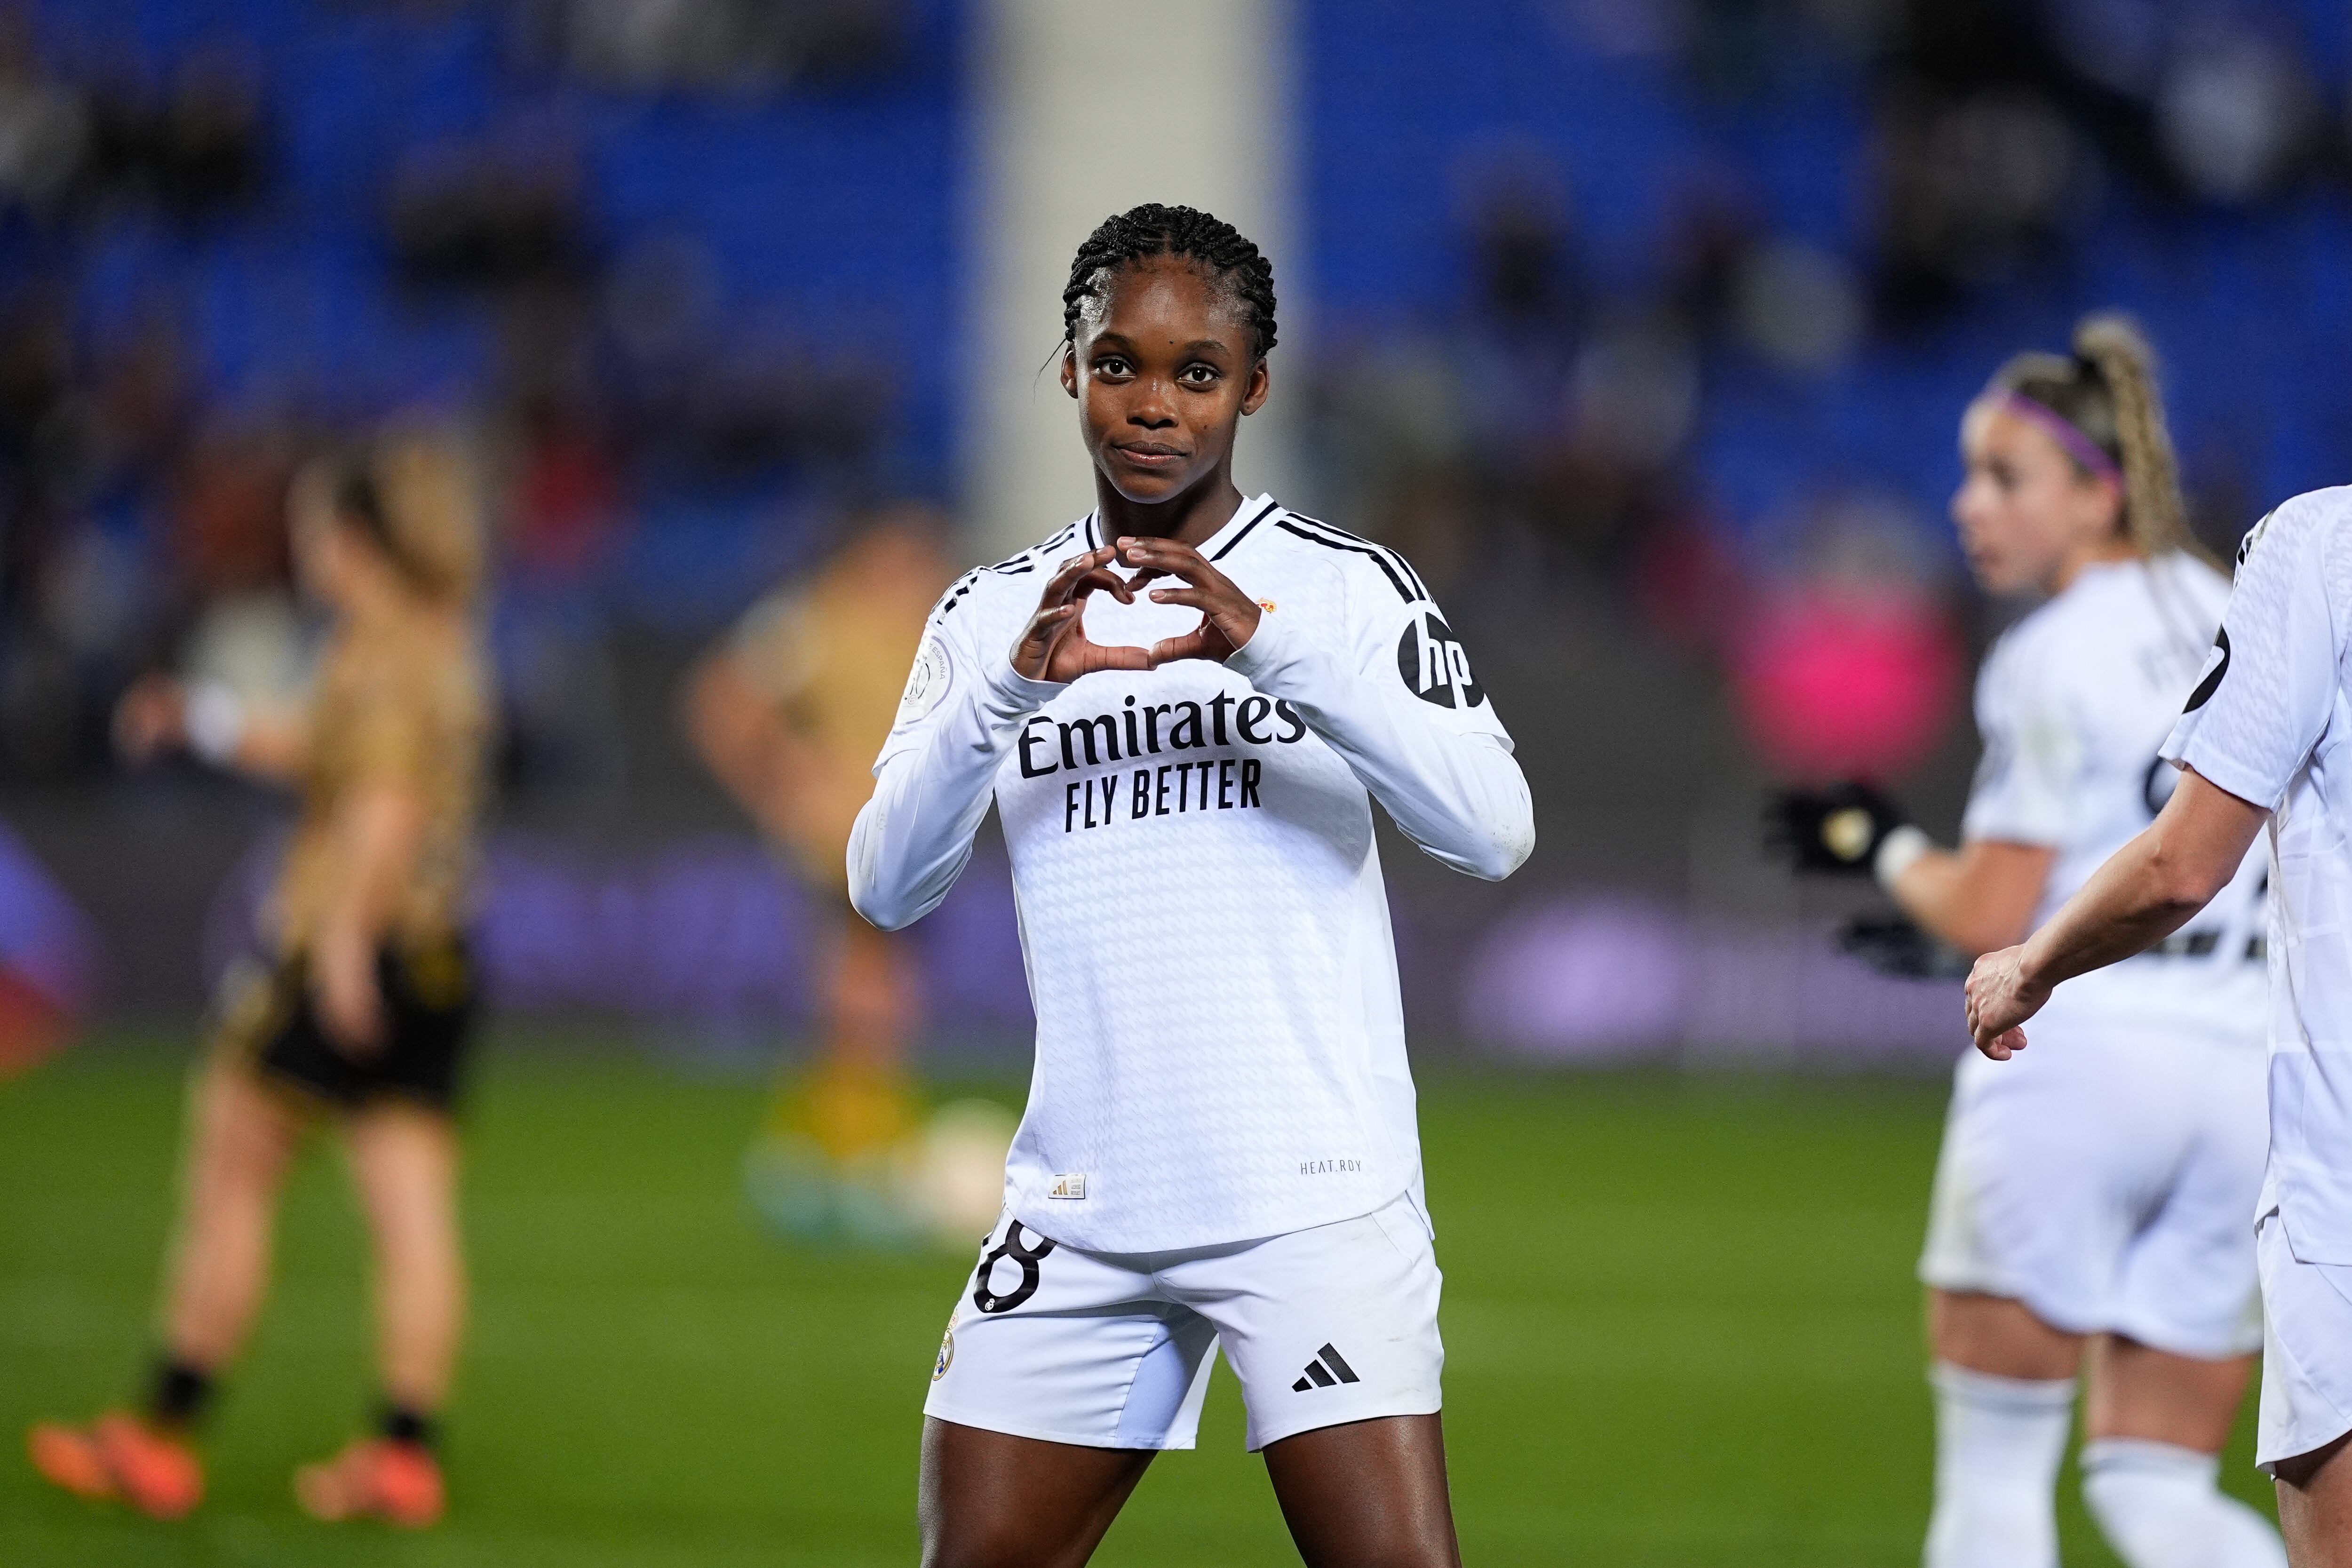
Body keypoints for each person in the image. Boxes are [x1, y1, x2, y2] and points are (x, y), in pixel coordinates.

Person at [848, 203, 1533, 1567]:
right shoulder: (993, 613)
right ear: (1069, 369)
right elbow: (885, 883)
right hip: (1082, 1206)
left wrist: (1269, 650)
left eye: (1195, 373)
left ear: (1255, 387)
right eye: (1119, 364)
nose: (1151, 404)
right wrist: (1002, 693)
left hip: (1309, 1199)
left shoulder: (1338, 592)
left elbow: (1492, 828)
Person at [1770, 316, 2285, 1568]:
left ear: (2098, 491)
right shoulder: (2257, 616)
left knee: (1996, 1484)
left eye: (2005, 476)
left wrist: (1879, 846)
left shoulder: (2051, 652)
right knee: (2157, 1487)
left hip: (2076, 1058)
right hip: (2247, 1077)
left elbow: (2002, 914)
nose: (1968, 505)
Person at [28, 432, 491, 1529]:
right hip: (437, 956)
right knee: (413, 1216)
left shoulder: (376, 652)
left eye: (316, 528)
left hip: (349, 943)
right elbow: (325, 754)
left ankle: (159, 1433)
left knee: (229, 1180)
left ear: (354, 541)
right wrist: (206, 718)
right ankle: (401, 1453)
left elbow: (380, 808)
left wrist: (336, 951)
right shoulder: (441, 644)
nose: (304, 548)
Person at [1966, 469, 2352, 1568]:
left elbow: (2183, 864)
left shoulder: (2319, 546)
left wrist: (2033, 962)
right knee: (2145, 1477)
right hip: (2229, 1080)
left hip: (2337, 1178)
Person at [683, 505, 958, 1243]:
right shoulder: (815, 620)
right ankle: (858, 1158)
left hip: (904, 837)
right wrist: (783, 778)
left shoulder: (932, 623)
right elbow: (721, 699)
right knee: (869, 992)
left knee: (869, 995)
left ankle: (814, 1153)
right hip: (848, 835)